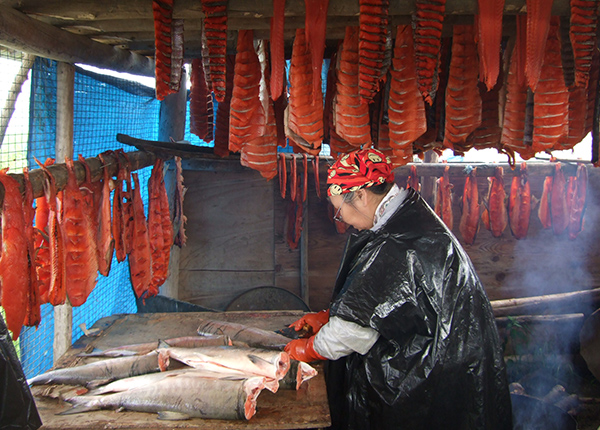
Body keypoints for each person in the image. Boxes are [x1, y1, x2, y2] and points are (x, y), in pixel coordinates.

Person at [284, 148, 512, 430]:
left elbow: (354, 333)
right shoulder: (408, 218)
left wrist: (308, 349)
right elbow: (387, 303)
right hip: (454, 361)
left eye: (340, 211)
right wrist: (330, 316)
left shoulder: (397, 242)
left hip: (432, 375)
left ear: (362, 196)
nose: (344, 220)